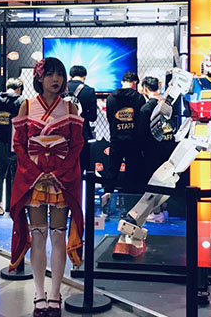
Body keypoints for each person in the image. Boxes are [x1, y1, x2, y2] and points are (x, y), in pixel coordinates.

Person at [9, 57, 84, 317]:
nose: (56, 79)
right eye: (50, 74)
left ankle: (55, 294)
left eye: (59, 74)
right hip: (35, 179)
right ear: (39, 77)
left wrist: (58, 174)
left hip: (61, 180)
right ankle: (39, 294)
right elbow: (18, 145)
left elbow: (76, 145)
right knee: (38, 236)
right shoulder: (26, 106)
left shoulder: (71, 107)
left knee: (58, 237)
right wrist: (38, 174)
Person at [102, 71, 145, 212]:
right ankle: (128, 208)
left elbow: (110, 118)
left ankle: (106, 204)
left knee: (112, 171)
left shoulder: (111, 98)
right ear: (135, 83)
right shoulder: (139, 98)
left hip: (116, 139)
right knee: (131, 174)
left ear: (122, 82)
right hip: (133, 140)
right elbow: (140, 120)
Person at [137, 76, 176, 223]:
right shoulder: (169, 105)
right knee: (168, 178)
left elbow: (142, 134)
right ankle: (164, 209)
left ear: (145, 88)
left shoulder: (146, 109)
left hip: (152, 150)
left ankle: (155, 212)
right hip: (169, 148)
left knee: (154, 180)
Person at [0, 78, 24, 215]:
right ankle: (15, 204)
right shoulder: (21, 101)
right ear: (19, 88)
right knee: (17, 174)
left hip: (0, 139)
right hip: (16, 141)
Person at [66, 65, 98, 172]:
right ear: (84, 76)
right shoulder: (89, 91)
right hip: (81, 132)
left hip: (62, 132)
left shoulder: (60, 89)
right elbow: (93, 117)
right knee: (81, 165)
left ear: (70, 76)